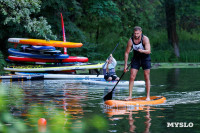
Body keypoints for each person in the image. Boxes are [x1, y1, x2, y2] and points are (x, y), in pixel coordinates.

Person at [124, 26, 151, 101]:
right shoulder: (130, 40)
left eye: (137, 33)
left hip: (145, 58)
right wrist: (125, 65)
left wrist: (142, 51)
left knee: (146, 76)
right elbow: (126, 53)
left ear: (141, 33)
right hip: (136, 58)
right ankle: (130, 96)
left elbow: (148, 51)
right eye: (135, 33)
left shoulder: (145, 39)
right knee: (132, 76)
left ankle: (148, 96)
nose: (136, 35)